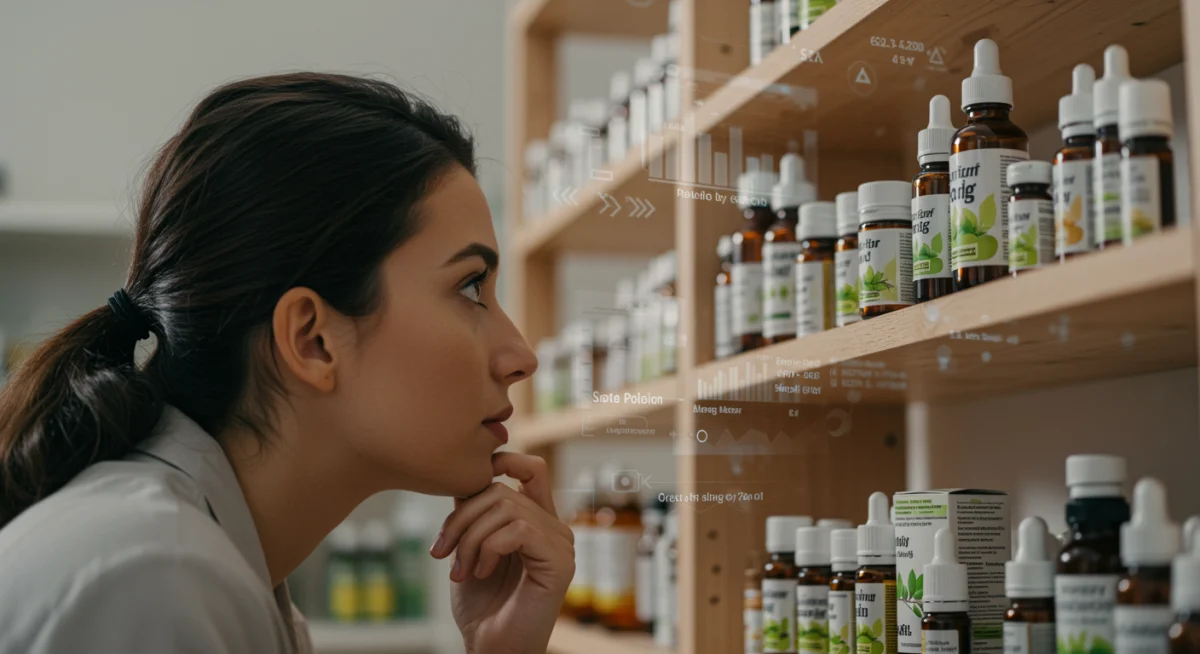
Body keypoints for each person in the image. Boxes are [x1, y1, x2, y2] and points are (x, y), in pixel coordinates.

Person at [0, 73, 574, 653]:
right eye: (471, 287)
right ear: (311, 340)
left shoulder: (210, 568)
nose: (521, 356)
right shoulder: (154, 578)